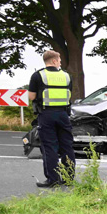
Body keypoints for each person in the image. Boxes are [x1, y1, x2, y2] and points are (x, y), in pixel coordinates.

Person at [28, 49, 75, 188]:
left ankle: (53, 179)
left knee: (50, 147)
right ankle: (68, 178)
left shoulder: (38, 75)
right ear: (54, 61)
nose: (60, 62)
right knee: (67, 146)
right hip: (63, 114)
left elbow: (31, 96)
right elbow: (69, 94)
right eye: (59, 60)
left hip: (46, 114)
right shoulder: (67, 76)